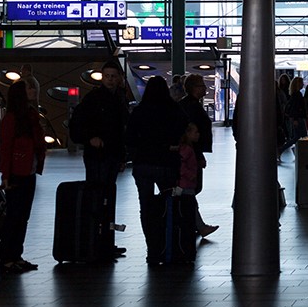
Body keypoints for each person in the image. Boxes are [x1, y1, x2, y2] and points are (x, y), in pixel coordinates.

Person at [69, 60, 129, 258]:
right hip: (99, 156)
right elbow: (77, 125)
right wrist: (90, 138)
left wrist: (122, 156)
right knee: (100, 197)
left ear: (119, 78)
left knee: (106, 197)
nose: (110, 80)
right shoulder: (96, 99)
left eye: (113, 76)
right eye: (107, 76)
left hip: (107, 155)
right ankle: (98, 242)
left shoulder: (117, 98)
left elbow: (121, 131)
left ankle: (104, 242)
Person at [126, 76, 187, 264]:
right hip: (166, 164)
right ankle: (167, 245)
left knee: (145, 206)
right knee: (169, 205)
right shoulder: (174, 110)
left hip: (143, 163)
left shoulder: (139, 111)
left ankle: (151, 247)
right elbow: (183, 130)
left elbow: (130, 138)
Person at [0, 79, 47, 275]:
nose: (33, 90)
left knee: (22, 217)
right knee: (14, 217)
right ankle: (8, 258)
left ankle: (15, 256)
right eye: (29, 87)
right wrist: (6, 175)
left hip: (29, 170)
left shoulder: (30, 114)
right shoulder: (12, 118)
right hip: (18, 171)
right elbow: (7, 147)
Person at [177, 74, 217, 238]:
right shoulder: (193, 107)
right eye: (201, 86)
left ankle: (192, 221)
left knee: (190, 189)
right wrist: (199, 154)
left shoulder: (185, 105)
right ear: (194, 88)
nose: (205, 89)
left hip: (192, 152)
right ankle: (195, 222)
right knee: (190, 189)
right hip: (192, 153)